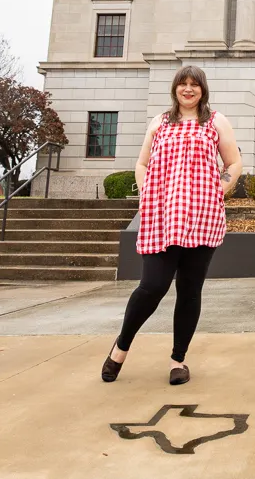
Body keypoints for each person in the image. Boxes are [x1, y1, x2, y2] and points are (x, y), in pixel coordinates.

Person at [101, 66, 241, 385]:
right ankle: (120, 347)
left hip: (202, 219)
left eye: (195, 85)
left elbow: (233, 162)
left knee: (189, 291)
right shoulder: (159, 122)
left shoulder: (216, 121)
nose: (188, 89)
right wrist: (146, 191)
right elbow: (142, 163)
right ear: (175, 88)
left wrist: (219, 189)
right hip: (162, 218)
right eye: (183, 84)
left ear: (203, 90)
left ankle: (178, 360)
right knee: (152, 287)